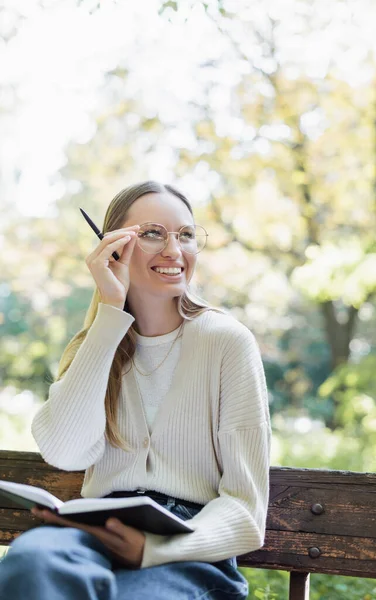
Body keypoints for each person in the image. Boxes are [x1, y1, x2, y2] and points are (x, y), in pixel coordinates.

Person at [0, 181, 271, 599]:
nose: (173, 250)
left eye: (184, 234)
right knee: (29, 563)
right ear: (113, 248)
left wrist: (155, 548)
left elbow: (245, 508)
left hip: (191, 548)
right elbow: (65, 452)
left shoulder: (227, 341)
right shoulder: (95, 343)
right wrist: (110, 312)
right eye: (151, 233)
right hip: (95, 530)